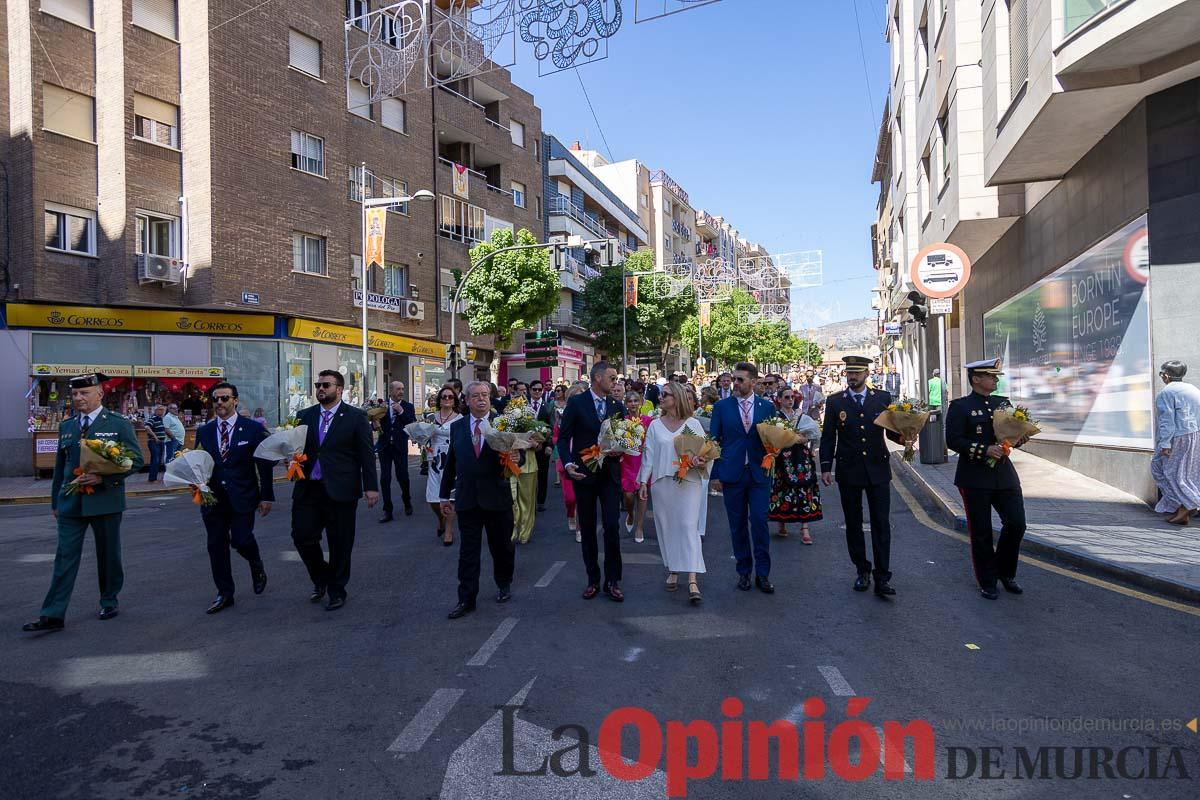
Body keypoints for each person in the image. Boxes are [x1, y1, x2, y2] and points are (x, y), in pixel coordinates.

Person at [24, 374, 144, 632]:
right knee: (65, 557)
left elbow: (135, 460)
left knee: (109, 555)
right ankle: (53, 614)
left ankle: (109, 600)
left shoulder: (118, 423)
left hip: (106, 501)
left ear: (99, 393)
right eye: (75, 394)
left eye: (85, 393)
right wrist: (56, 501)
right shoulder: (67, 426)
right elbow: (60, 467)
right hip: (71, 503)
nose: (79, 398)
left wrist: (104, 477)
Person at [290, 370, 380, 611]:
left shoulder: (356, 417)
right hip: (308, 488)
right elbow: (296, 448)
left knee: (340, 543)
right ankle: (321, 578)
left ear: (339, 389)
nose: (320, 388)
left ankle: (337, 590)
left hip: (341, 489)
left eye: (325, 385)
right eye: (318, 384)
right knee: (302, 537)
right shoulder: (303, 416)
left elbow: (366, 454)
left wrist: (371, 487)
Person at [819, 356, 904, 599]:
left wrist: (906, 437)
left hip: (877, 469)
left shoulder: (882, 398)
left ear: (867, 373)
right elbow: (828, 437)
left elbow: (892, 432)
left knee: (881, 524)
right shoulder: (836, 402)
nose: (852, 377)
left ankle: (882, 576)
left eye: (857, 373)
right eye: (849, 373)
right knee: (854, 524)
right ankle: (862, 570)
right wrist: (826, 466)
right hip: (849, 470)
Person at [945, 359, 1030, 599]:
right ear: (976, 379)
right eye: (991, 376)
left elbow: (1011, 433)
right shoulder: (960, 407)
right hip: (974, 477)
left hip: (1004, 475)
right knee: (981, 531)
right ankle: (987, 579)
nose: (995, 380)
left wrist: (1019, 438)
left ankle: (1005, 572)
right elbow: (953, 440)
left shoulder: (1002, 403)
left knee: (1016, 523)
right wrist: (983, 450)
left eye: (996, 376)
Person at [195, 382, 273, 614]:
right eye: (216, 399)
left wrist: (266, 496)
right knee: (216, 546)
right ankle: (224, 593)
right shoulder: (205, 431)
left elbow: (265, 463)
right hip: (213, 499)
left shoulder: (252, 428)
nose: (219, 403)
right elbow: (197, 462)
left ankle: (255, 562)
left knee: (241, 539)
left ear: (235, 400)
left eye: (225, 398)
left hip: (243, 496)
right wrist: (195, 483)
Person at [440, 381, 516, 619]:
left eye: (485, 395)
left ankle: (504, 583)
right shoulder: (458, 427)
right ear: (467, 400)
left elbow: (518, 457)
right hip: (468, 498)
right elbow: (451, 463)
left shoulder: (502, 424)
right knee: (468, 552)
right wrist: (444, 495)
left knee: (501, 547)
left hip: (496, 497)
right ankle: (466, 598)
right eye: (476, 396)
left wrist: (517, 457)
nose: (481, 399)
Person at [558, 362, 626, 602]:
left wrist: (622, 449)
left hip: (609, 474)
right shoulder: (577, 403)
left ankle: (613, 580)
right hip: (584, 473)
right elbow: (563, 438)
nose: (615, 382)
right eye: (612, 377)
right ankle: (592, 579)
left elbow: (626, 437)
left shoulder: (617, 405)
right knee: (587, 528)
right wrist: (567, 465)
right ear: (597, 378)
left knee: (611, 526)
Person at [637, 382, 709, 605]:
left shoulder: (693, 424)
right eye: (660, 395)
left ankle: (693, 578)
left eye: (665, 395)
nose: (660, 398)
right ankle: (674, 569)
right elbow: (648, 455)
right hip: (662, 482)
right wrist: (642, 482)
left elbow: (704, 453)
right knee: (668, 527)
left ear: (676, 398)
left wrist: (701, 459)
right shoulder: (655, 425)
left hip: (689, 482)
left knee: (688, 525)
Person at [710, 361, 778, 593]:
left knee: (759, 521)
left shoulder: (767, 407)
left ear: (753, 381)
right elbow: (714, 442)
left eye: (740, 380)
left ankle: (763, 573)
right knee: (737, 526)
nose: (735, 383)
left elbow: (774, 439)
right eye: (734, 379)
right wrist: (716, 475)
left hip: (759, 474)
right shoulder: (722, 407)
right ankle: (743, 572)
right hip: (732, 474)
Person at [770, 388, 822, 543]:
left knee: (805, 487)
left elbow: (812, 435)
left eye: (792, 397)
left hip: (801, 458)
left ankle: (805, 528)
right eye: (786, 397)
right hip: (782, 458)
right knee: (781, 488)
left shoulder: (801, 416)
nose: (790, 400)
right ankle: (782, 522)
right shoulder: (775, 417)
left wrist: (804, 439)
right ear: (779, 399)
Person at [1151, 361, 1200, 525]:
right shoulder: (1193, 390)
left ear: (1165, 375)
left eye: (1161, 374)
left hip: (1177, 437)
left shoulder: (1166, 392)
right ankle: (1182, 509)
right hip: (1194, 435)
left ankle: (1189, 503)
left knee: (1163, 470)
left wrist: (1165, 444)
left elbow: (1167, 421)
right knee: (1186, 473)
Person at [426, 386, 463, 546]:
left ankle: (448, 530)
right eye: (444, 397)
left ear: (454, 400)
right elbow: (424, 438)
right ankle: (440, 519)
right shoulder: (430, 417)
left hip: (452, 459)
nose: (447, 399)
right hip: (434, 459)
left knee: (450, 497)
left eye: (450, 397)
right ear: (439, 400)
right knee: (433, 499)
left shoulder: (460, 418)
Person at [376, 380, 416, 522]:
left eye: (403, 388)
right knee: (385, 478)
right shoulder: (381, 405)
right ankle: (387, 510)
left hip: (400, 446)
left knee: (403, 476)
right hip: (385, 446)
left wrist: (401, 411)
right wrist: (374, 423)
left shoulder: (408, 406)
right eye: (398, 389)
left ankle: (407, 501)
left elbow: (411, 423)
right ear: (391, 391)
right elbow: (375, 425)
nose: (401, 391)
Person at [620, 387, 653, 544]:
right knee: (628, 495)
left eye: (635, 401)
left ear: (640, 403)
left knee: (642, 494)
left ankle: (639, 527)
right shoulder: (622, 421)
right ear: (626, 404)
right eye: (629, 401)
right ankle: (630, 514)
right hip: (627, 462)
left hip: (644, 460)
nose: (633, 404)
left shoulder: (648, 421)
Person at [555, 382, 584, 539]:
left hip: (585, 459)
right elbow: (557, 437)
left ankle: (580, 528)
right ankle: (570, 513)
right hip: (567, 460)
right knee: (570, 498)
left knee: (582, 498)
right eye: (574, 397)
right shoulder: (562, 415)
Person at [528, 380, 552, 511]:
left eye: (539, 390)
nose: (537, 392)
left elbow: (552, 427)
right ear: (530, 390)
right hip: (527, 445)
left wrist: (549, 445)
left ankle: (541, 501)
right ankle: (529, 500)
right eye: (534, 389)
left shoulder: (548, 406)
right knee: (528, 474)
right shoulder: (524, 405)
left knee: (542, 474)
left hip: (543, 446)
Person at [146, 405, 167, 483]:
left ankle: (153, 478)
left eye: (163, 409)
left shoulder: (162, 419)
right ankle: (153, 479)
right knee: (156, 460)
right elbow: (147, 427)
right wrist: (155, 437)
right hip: (154, 442)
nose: (162, 411)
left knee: (158, 460)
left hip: (161, 442)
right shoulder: (153, 419)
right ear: (156, 410)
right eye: (160, 409)